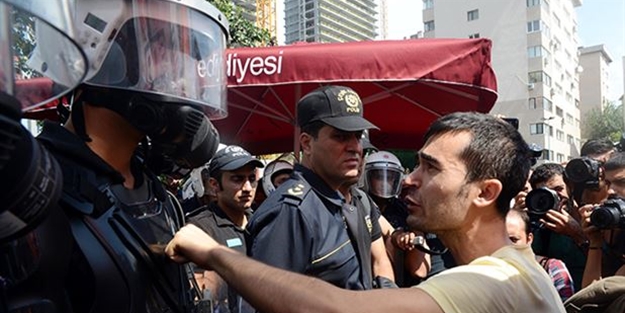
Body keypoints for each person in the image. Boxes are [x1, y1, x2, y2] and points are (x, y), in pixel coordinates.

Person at [166, 112, 566, 313]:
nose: (409, 180)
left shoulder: (495, 283)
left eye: (430, 168)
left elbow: (338, 309)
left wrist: (214, 254)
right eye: (340, 137)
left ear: (485, 193)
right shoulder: (511, 268)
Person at [2, 1, 229, 312]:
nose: (179, 75)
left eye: (185, 56)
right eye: (160, 45)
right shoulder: (35, 194)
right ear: (101, 57)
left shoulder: (156, 193)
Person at [246, 85, 379, 290]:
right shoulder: (291, 212)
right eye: (341, 136)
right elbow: (270, 299)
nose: (355, 147)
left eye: (358, 135)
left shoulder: (336, 200)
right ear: (307, 144)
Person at [187, 145, 263, 313]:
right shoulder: (200, 228)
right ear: (214, 185)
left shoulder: (261, 221)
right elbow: (198, 292)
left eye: (252, 178)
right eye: (237, 179)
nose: (248, 188)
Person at [362, 150, 433, 286]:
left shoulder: (405, 209)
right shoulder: (359, 204)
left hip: (402, 283)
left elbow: (420, 271)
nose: (384, 182)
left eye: (390, 178)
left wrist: (412, 237)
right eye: (378, 176)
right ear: (366, 177)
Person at [527, 163, 586, 291]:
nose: (556, 196)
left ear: (570, 187)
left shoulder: (588, 216)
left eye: (559, 189)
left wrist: (577, 234)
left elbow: (608, 263)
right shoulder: (539, 227)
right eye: (547, 193)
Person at [506, 209, 575, 302]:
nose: (506, 245)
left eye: (513, 240)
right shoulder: (484, 269)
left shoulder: (553, 268)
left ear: (529, 239)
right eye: (500, 239)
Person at [578, 152, 625, 288]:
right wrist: (595, 242)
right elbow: (590, 295)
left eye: (622, 182)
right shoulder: (611, 222)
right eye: (608, 183)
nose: (610, 191)